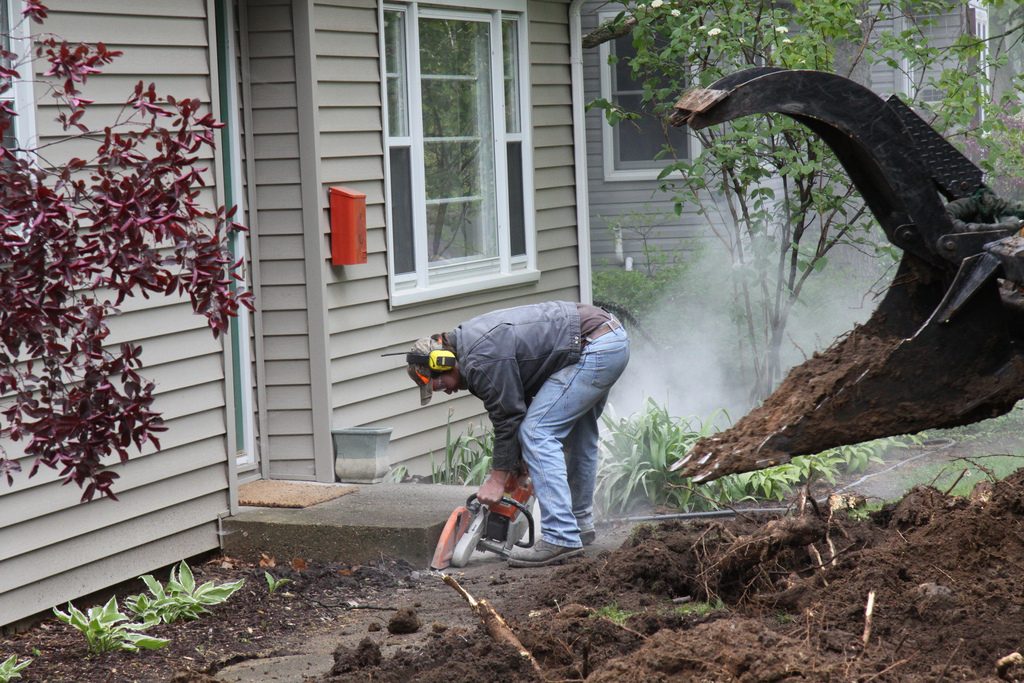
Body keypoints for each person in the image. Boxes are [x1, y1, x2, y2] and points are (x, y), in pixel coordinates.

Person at [404, 301, 630, 567]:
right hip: (609, 341)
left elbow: (508, 417)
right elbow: (518, 401)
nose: (445, 391)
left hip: (593, 348)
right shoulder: (471, 347)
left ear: (445, 362)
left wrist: (497, 480)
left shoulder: (480, 360)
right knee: (578, 435)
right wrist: (518, 463)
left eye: (439, 384)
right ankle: (578, 525)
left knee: (537, 433)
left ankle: (561, 536)